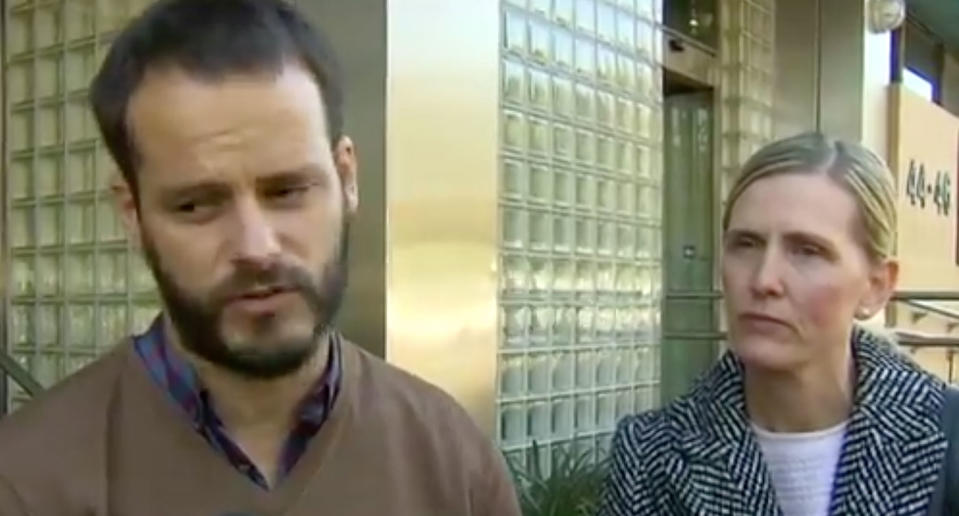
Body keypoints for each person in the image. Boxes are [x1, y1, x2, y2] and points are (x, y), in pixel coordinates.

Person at [0, 1, 521, 515]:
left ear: (346, 179)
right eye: (197, 205)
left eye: (288, 191)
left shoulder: (452, 461)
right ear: (132, 212)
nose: (256, 247)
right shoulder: (27, 479)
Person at [600, 132, 953, 515]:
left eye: (807, 251)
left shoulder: (946, 439)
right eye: (746, 244)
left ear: (876, 286)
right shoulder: (650, 454)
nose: (764, 279)